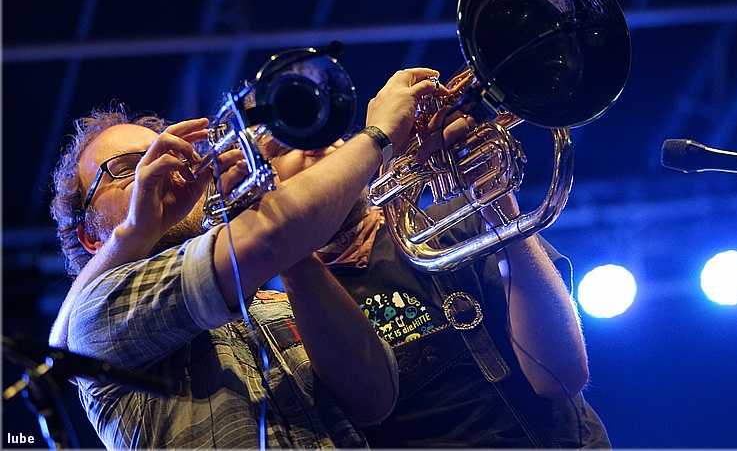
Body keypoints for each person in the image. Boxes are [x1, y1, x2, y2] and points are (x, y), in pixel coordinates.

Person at [47, 67, 445, 449]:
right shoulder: (94, 315)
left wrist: (281, 238)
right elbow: (270, 239)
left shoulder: (276, 301)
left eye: (169, 155)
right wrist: (379, 136)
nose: (159, 171)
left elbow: (374, 398)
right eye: (126, 168)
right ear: (90, 237)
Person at [257, 105, 613, 448]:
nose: (318, 143)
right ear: (258, 191)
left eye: (324, 131)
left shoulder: (457, 225)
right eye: (286, 145)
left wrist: (497, 205)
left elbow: (561, 377)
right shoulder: (289, 314)